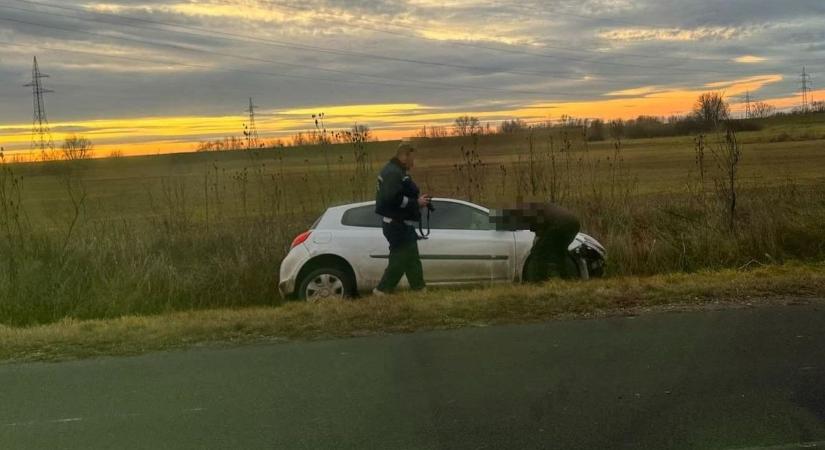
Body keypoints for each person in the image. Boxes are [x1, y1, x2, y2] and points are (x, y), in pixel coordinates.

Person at [373, 142, 431, 296]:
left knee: (411, 259)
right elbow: (394, 199)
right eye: (413, 158)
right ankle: (382, 291)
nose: (414, 162)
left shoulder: (396, 170)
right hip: (396, 225)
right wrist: (416, 203)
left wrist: (417, 203)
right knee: (399, 261)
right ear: (404, 156)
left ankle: (419, 290)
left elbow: (399, 196)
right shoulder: (393, 172)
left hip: (400, 224)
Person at [490, 200, 580, 281]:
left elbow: (539, 233)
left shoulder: (527, 213)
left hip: (559, 224)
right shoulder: (535, 208)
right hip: (574, 223)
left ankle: (540, 280)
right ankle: (566, 278)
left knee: (539, 254)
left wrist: (536, 246)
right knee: (560, 253)